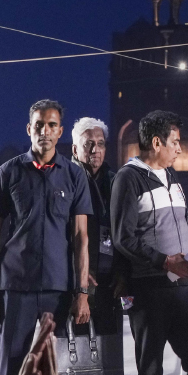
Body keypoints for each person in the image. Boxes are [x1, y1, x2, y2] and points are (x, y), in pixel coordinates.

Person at [111, 110, 188, 375]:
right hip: (150, 291)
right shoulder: (127, 178)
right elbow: (123, 238)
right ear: (157, 143)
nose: (180, 148)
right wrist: (165, 261)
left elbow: (181, 226)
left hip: (185, 288)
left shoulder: (171, 175)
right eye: (175, 142)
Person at [0, 99, 91, 375]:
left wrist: (82, 292)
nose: (45, 131)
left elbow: (81, 237)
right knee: (10, 369)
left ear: (60, 131)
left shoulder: (74, 175)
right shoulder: (8, 173)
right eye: (39, 125)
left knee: (54, 370)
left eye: (52, 125)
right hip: (17, 284)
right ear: (29, 129)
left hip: (57, 287)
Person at [71, 117, 125, 341]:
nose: (95, 150)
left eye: (100, 143)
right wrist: (78, 275)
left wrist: (123, 271)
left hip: (109, 280)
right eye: (88, 144)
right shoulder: (64, 181)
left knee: (109, 347)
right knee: (77, 348)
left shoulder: (115, 181)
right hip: (76, 283)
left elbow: (125, 230)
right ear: (75, 150)